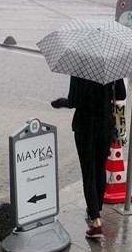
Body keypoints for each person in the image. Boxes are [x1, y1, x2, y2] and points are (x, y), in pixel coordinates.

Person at [51, 77, 126, 239]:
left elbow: (73, 101)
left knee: (88, 172)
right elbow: (121, 95)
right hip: (105, 124)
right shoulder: (111, 67)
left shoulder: (80, 69)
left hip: (85, 125)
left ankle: (96, 222)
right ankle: (95, 207)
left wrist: (59, 103)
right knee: (100, 167)